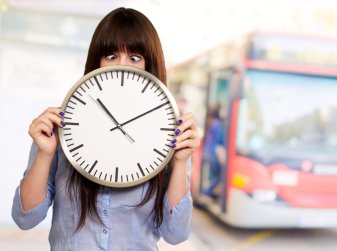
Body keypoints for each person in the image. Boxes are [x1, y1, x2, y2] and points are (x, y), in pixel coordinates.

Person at [12, 8, 200, 251]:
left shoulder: (168, 133)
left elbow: (175, 233)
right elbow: (25, 218)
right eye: (111, 55)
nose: (121, 66)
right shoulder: (63, 124)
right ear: (96, 61)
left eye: (135, 58)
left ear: (149, 65)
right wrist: (45, 153)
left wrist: (181, 161)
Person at [203, 103, 225, 198]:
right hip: (213, 154)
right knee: (219, 177)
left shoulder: (211, 122)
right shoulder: (217, 124)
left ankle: (206, 193)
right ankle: (206, 193)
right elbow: (220, 139)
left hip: (208, 152)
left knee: (215, 176)